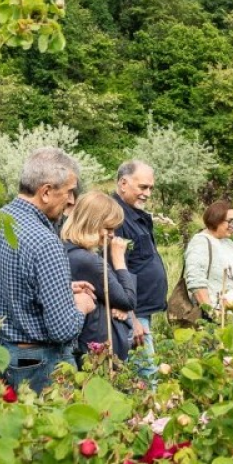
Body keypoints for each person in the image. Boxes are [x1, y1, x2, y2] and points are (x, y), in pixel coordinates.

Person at [0, 148, 96, 393]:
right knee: (52, 427)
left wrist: (61, 289)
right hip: (35, 360)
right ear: (46, 192)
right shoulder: (45, 241)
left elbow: (3, 283)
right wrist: (80, 305)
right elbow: (62, 329)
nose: (72, 200)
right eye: (69, 191)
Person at [61, 191, 138, 363]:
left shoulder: (67, 250)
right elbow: (128, 300)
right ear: (91, 223)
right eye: (108, 228)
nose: (112, 234)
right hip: (96, 347)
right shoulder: (88, 261)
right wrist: (119, 261)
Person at [112, 161, 166, 377]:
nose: (148, 193)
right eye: (143, 187)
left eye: (151, 188)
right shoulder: (116, 217)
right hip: (135, 313)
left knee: (144, 372)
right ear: (123, 183)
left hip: (143, 311)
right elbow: (115, 270)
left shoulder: (135, 214)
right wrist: (132, 319)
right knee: (145, 376)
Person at [185, 200, 233, 313]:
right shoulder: (200, 242)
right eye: (230, 221)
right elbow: (196, 282)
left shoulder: (227, 242)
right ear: (216, 220)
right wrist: (212, 314)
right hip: (216, 313)